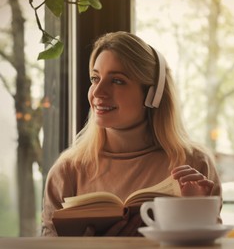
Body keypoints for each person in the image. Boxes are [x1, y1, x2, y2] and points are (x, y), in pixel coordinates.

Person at [41, 31, 222, 236]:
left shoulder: (195, 164)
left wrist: (197, 214)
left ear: (153, 95)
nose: (98, 92)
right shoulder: (67, 171)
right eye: (95, 78)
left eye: (117, 81)